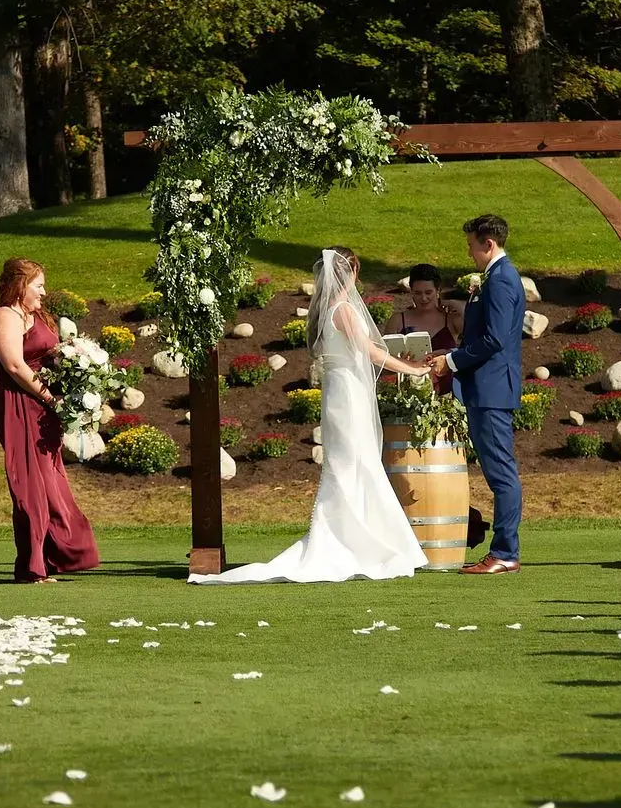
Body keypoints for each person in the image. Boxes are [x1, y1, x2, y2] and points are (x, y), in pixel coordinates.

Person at [195, 248, 430, 584]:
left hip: (340, 389)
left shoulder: (327, 309)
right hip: (348, 393)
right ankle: (361, 546)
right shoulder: (345, 310)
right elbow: (369, 351)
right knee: (356, 463)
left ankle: (361, 542)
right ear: (352, 273)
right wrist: (411, 370)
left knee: (353, 463)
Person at [0, 259, 100, 581]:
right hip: (18, 404)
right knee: (30, 484)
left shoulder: (35, 317)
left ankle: (56, 555)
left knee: (51, 481)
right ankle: (31, 565)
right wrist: (51, 398)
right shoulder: (4, 317)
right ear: (20, 286)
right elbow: (15, 366)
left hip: (44, 405)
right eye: (38, 285)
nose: (44, 292)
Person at [429, 214, 526, 574]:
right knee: (498, 470)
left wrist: (452, 362)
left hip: (492, 389)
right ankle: (504, 551)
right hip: (488, 387)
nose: (469, 253)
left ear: (489, 244)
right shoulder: (496, 278)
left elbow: (495, 339)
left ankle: (504, 552)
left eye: (472, 246)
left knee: (501, 472)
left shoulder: (501, 279)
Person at [386, 264, 462, 396]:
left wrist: (459, 308)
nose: (423, 298)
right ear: (411, 292)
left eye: (428, 292)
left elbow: (472, 348)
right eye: (417, 293)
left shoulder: (451, 318)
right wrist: (400, 361)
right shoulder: (398, 320)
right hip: (409, 395)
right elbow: (384, 362)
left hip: (448, 394)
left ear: (437, 290)